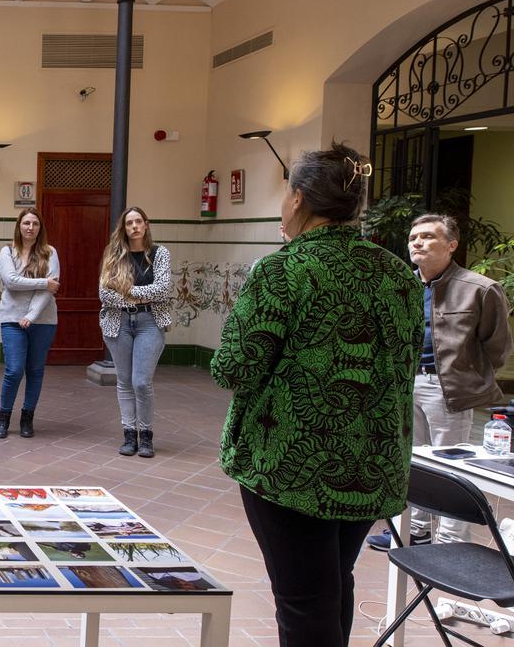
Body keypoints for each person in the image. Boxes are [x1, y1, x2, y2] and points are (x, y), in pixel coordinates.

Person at [210, 143, 422, 647]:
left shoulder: (282, 270)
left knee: (304, 602)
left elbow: (234, 367)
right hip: (369, 461)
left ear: (299, 198)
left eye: (286, 192)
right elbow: (409, 358)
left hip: (293, 464)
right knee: (332, 585)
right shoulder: (397, 274)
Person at [367, 213, 513, 551]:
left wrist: (467, 376)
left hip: (448, 389)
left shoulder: (480, 288)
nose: (416, 242)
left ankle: (451, 543)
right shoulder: (401, 285)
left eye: (428, 236)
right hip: (405, 385)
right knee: (412, 461)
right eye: (413, 236)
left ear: (451, 244)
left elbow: (498, 348)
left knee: (452, 468)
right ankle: (416, 531)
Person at [98, 207, 172, 459]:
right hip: (119, 323)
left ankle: (146, 435)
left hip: (150, 322)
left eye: (138, 221)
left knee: (141, 382)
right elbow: (104, 294)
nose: (134, 227)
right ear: (124, 228)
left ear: (146, 224)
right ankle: (129, 434)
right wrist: (137, 295)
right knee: (124, 381)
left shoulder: (160, 254)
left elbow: (162, 290)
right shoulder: (114, 254)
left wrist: (129, 293)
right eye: (129, 223)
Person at [0, 207, 60, 439]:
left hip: (43, 320)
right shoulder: (7, 251)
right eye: (26, 223)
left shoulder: (50, 252)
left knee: (35, 371)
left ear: (40, 228)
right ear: (19, 226)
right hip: (12, 319)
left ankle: (27, 417)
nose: (30, 227)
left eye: (35, 224)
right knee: (14, 370)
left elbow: (49, 293)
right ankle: (3, 417)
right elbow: (11, 282)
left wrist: (30, 316)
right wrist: (44, 282)